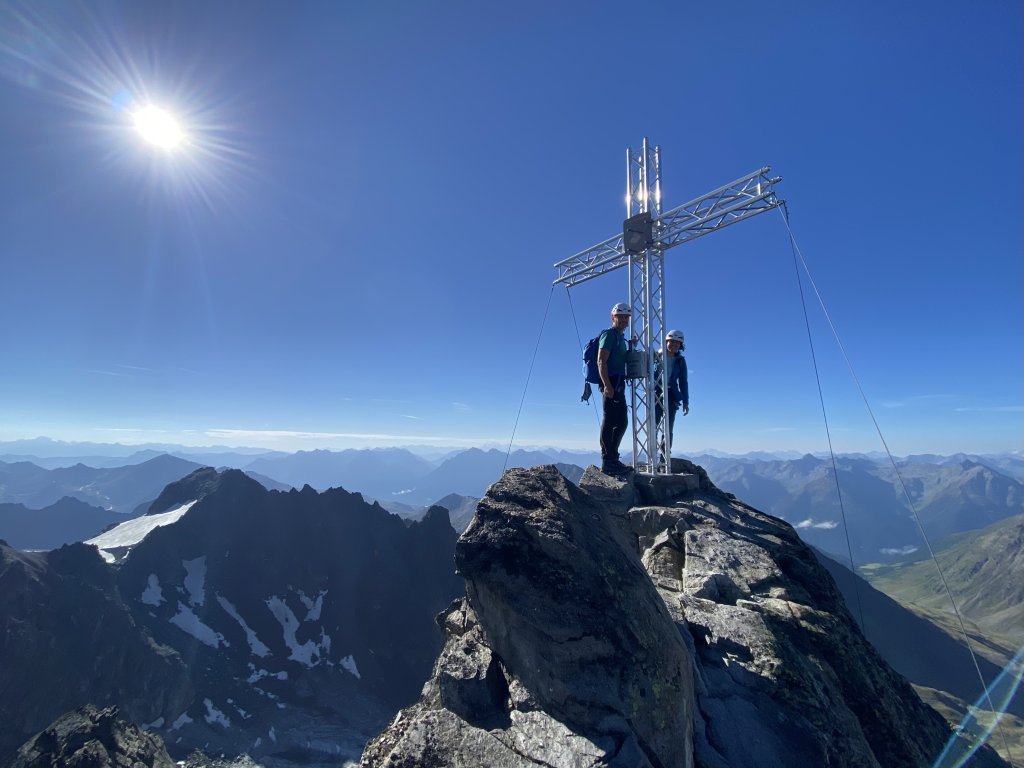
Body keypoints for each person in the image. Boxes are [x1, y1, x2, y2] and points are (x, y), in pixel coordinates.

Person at [598, 303, 635, 475]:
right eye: (620, 316)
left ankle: (612, 458)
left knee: (621, 422)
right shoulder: (609, 335)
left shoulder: (620, 338)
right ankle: (608, 461)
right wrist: (606, 385)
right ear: (613, 317)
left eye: (626, 317)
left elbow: (620, 358)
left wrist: (631, 346)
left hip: (618, 383)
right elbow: (601, 360)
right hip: (611, 382)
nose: (623, 319)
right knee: (611, 421)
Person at [655, 329, 690, 460]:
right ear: (666, 342)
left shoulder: (680, 361)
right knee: (654, 426)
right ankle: (653, 456)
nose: (674, 345)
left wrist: (686, 401)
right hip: (656, 393)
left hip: (672, 395)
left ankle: (664, 458)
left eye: (677, 343)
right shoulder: (655, 356)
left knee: (668, 428)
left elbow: (683, 382)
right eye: (672, 342)